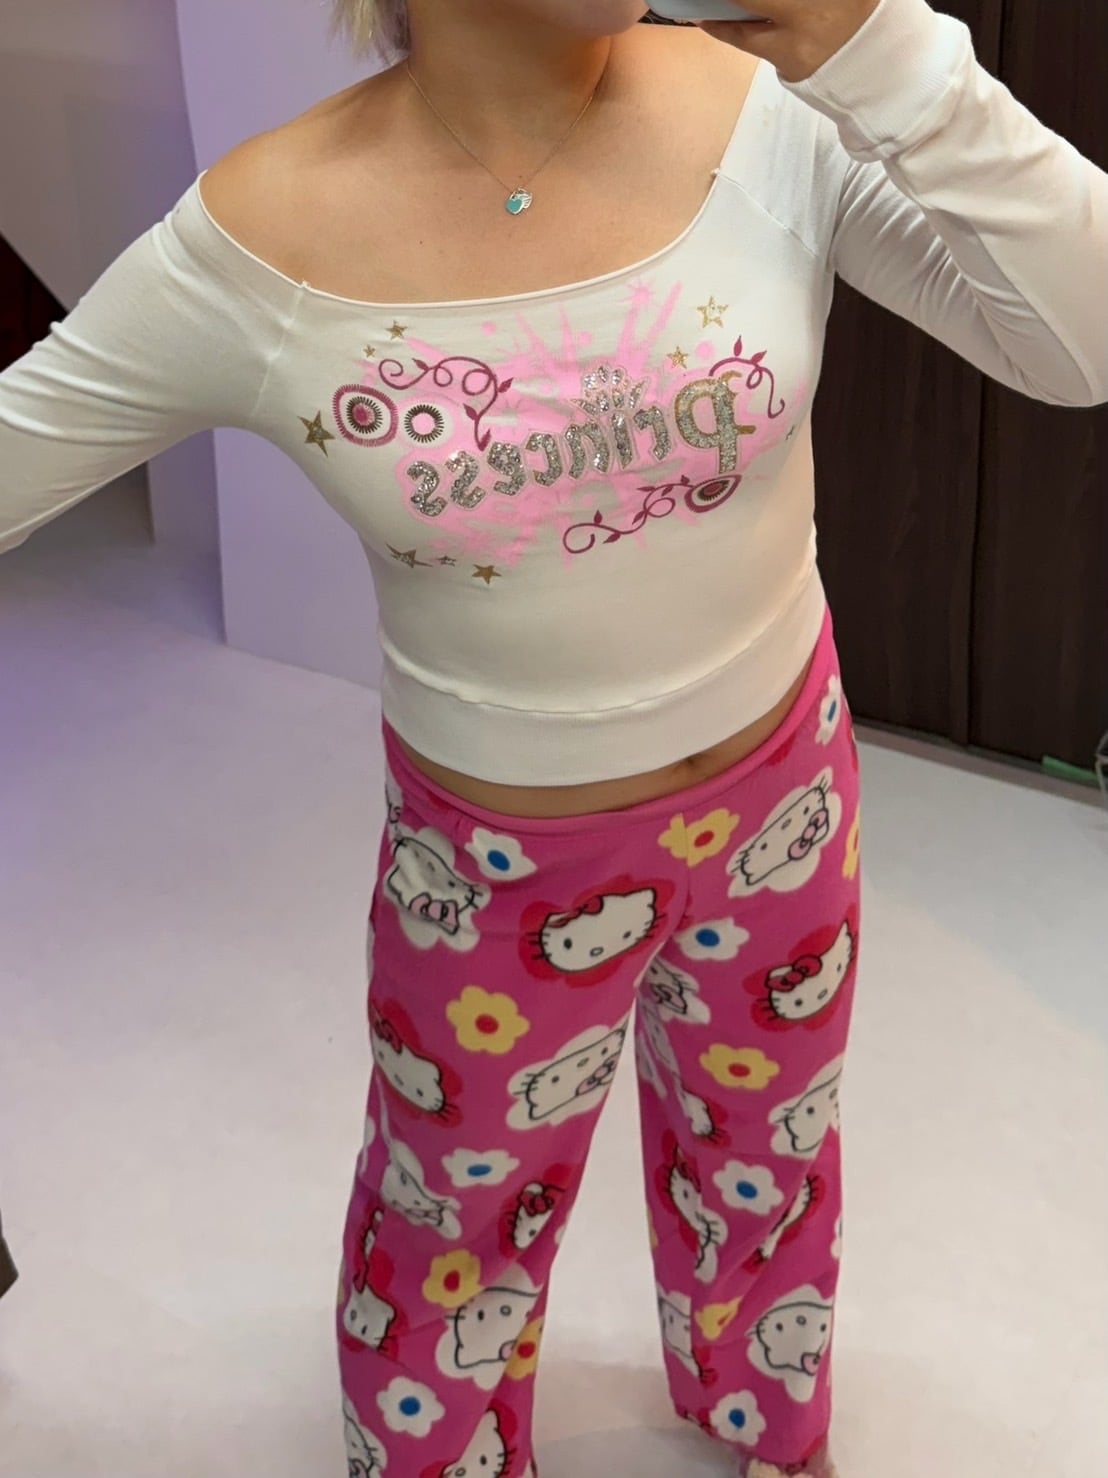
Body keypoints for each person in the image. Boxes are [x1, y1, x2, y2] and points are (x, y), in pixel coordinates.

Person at [1, 0, 1105, 1473]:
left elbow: (1082, 340)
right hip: (495, 871)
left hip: (787, 792)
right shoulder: (263, 240)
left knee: (770, 1163)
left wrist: (889, 54)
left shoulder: (775, 113)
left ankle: (767, 1425)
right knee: (449, 1224)